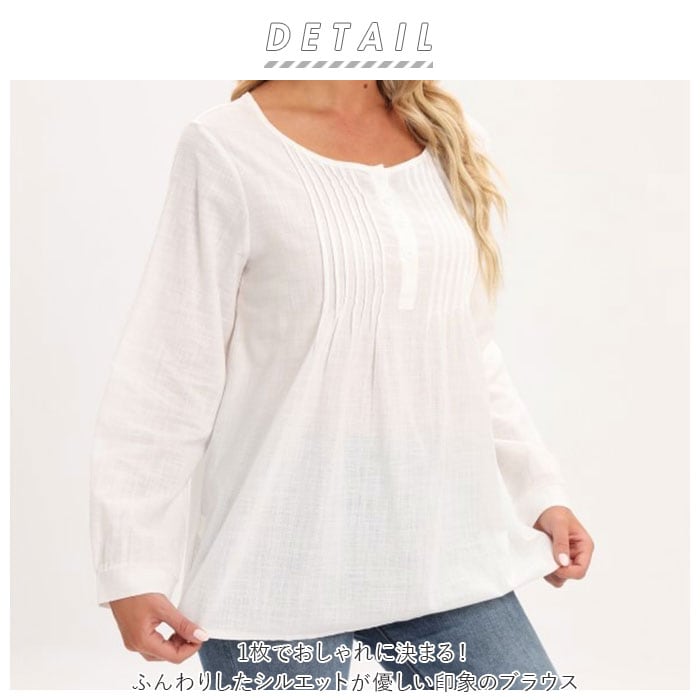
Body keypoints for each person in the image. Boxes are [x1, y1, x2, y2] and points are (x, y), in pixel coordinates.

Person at [89, 80, 594, 689]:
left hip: (444, 555)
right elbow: (172, 365)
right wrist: (131, 566)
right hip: (273, 574)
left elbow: (468, 348)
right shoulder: (225, 147)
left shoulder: (447, 135)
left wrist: (538, 493)